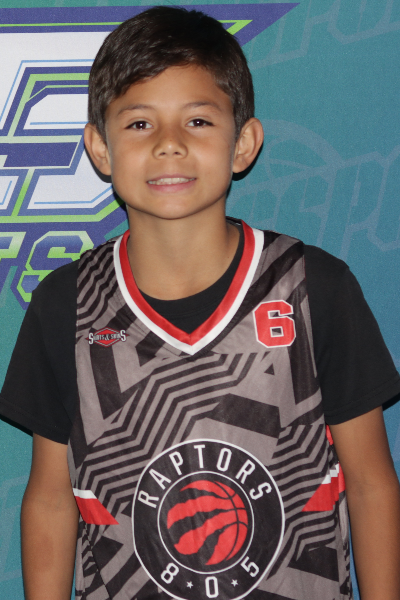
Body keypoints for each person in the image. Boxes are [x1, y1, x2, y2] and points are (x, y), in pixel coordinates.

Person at [1, 6, 400, 600]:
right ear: (100, 149)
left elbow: (370, 483)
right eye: (140, 124)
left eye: (197, 121)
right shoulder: (68, 305)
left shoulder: (314, 288)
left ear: (243, 143)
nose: (169, 145)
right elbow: (52, 498)